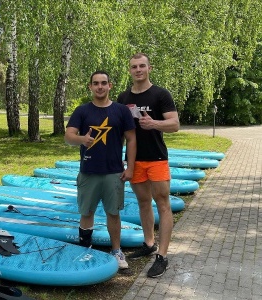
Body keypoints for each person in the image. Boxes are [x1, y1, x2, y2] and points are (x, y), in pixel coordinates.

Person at [64, 70, 136, 269]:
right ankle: (85, 248)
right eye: (96, 83)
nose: (100, 86)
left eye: (104, 83)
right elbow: (68, 136)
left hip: (114, 172)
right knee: (87, 212)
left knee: (113, 213)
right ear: (90, 87)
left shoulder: (121, 111)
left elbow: (131, 139)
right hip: (88, 172)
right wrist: (82, 140)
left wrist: (130, 167)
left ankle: (116, 251)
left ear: (110, 86)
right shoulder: (82, 111)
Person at [117, 53, 180, 278]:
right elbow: (120, 131)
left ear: (149, 68)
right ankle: (149, 243)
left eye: (142, 66)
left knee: (162, 203)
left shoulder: (161, 94)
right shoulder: (123, 97)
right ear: (130, 70)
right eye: (134, 67)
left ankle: (162, 256)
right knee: (143, 202)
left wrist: (153, 123)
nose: (138, 70)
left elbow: (175, 124)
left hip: (156, 158)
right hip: (134, 160)